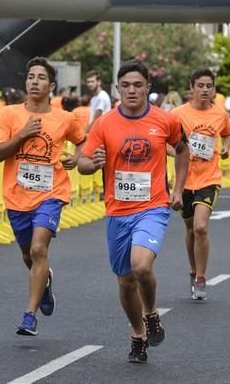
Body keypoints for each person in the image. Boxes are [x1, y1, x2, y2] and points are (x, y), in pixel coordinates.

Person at [78, 59, 189, 363]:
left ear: (147, 88)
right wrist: (94, 163)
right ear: (117, 88)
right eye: (125, 85)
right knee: (125, 281)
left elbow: (182, 149)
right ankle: (138, 335)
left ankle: (151, 313)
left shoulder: (165, 120)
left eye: (137, 85)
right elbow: (83, 163)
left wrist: (178, 189)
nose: (131, 90)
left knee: (141, 266)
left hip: (153, 206)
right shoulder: (104, 124)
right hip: (117, 211)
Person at [0, 57, 86, 336]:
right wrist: (21, 135)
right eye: (31, 76)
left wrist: (75, 158)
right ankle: (44, 281)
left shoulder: (64, 119)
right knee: (27, 254)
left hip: (51, 193)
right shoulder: (8, 115)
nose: (34, 81)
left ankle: (29, 315)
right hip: (17, 197)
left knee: (38, 249)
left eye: (41, 77)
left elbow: (83, 139)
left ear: (51, 85)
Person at [172, 69, 230, 301]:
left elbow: (228, 134)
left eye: (209, 86)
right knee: (189, 229)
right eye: (201, 85)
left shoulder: (219, 114)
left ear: (213, 89)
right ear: (192, 87)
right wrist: (173, 151)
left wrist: (226, 147)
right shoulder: (178, 114)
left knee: (200, 227)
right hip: (185, 178)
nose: (205, 90)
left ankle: (201, 277)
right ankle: (193, 269)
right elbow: (167, 141)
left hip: (210, 178)